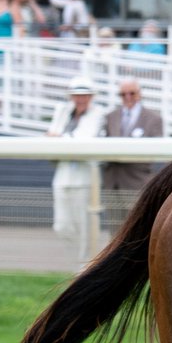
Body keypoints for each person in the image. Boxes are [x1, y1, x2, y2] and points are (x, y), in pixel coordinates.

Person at [46, 75, 107, 267]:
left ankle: (85, 268)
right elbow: (51, 139)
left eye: (85, 95)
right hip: (62, 176)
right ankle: (80, 264)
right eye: (77, 95)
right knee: (61, 226)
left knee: (85, 226)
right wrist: (59, 139)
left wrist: (58, 138)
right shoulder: (62, 111)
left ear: (91, 97)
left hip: (85, 179)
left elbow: (84, 139)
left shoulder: (98, 113)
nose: (81, 99)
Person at [101, 77, 164, 193]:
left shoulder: (153, 119)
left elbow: (156, 153)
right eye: (123, 94)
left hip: (138, 183)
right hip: (112, 183)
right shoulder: (111, 117)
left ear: (139, 94)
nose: (127, 97)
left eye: (132, 93)